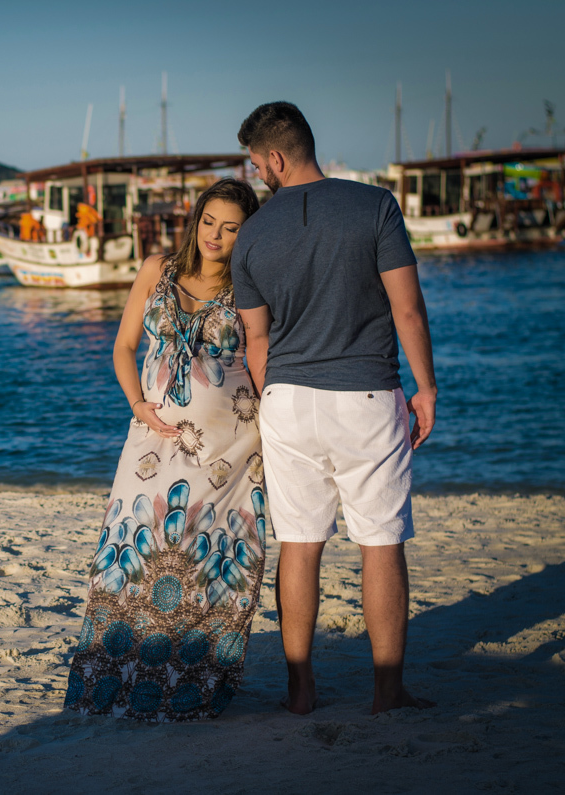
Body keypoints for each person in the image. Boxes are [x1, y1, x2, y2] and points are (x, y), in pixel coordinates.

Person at [230, 102, 437, 715]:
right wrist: (424, 389)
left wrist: (277, 400)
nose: (255, 174)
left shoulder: (253, 235)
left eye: (254, 163)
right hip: (366, 395)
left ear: (274, 157)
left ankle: (301, 689)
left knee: (299, 542)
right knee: (380, 541)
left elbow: (257, 341)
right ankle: (386, 690)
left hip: (287, 400)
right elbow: (407, 310)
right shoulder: (374, 206)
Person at [64, 179, 264, 721]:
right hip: (150, 440)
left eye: (231, 227)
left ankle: (189, 689)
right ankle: (116, 680)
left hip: (229, 449)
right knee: (131, 550)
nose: (216, 236)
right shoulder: (158, 270)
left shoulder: (251, 286)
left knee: (204, 558)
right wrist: (137, 403)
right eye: (209, 222)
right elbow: (124, 346)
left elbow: (266, 360)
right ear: (195, 219)